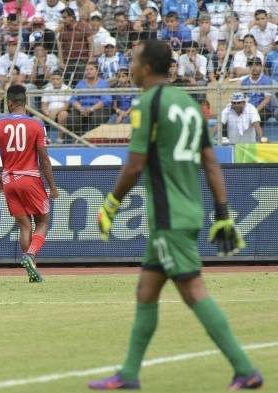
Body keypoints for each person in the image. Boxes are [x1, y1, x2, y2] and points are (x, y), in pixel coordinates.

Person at [89, 40, 263, 390]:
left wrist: (111, 204)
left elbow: (136, 163)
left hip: (168, 216)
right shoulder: (187, 103)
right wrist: (223, 213)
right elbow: (210, 162)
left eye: (134, 61)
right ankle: (129, 374)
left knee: (192, 289)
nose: (131, 67)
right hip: (186, 210)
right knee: (146, 290)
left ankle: (245, 369)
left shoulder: (147, 105)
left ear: (147, 68)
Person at [0, 85, 59, 283]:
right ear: (25, 102)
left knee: (24, 226)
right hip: (31, 178)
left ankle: (31, 272)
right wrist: (52, 186)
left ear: (9, 102)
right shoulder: (36, 125)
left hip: (9, 180)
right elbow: (44, 159)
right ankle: (30, 256)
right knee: (42, 222)